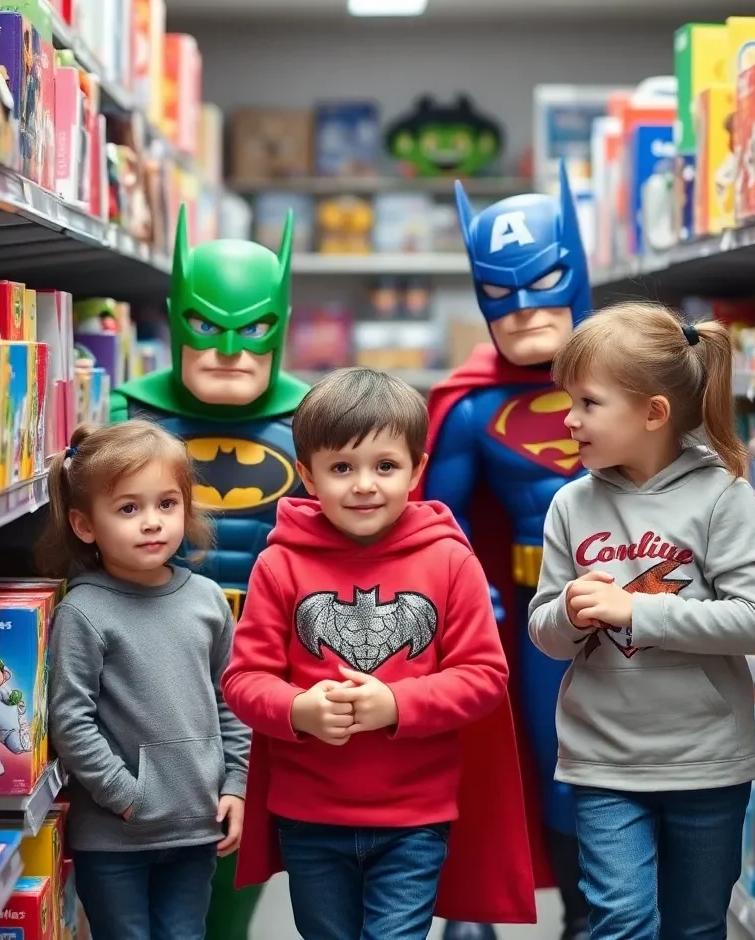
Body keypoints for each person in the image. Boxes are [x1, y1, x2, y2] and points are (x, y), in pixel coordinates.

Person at [222, 367, 537, 940]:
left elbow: (485, 675)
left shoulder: (449, 560)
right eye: (342, 467)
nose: (364, 484)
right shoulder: (280, 563)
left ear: (417, 470)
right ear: (307, 476)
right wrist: (298, 710)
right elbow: (244, 678)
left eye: (385, 466)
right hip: (311, 815)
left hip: (415, 817)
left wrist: (397, 702)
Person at [527, 302, 755, 940]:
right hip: (603, 762)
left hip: (706, 761)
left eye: (587, 402)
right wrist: (569, 614)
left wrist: (637, 610)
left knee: (695, 925)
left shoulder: (722, 494)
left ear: (653, 413)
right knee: (621, 921)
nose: (569, 418)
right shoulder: (571, 504)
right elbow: (546, 635)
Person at [111, 205, 309, 940]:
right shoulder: (126, 411)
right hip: (147, 654)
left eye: (254, 327)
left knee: (249, 823)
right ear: (174, 318)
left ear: (283, 323)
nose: (228, 349)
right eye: (207, 325)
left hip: (267, 659)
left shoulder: (314, 421)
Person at [415, 162, 592, 940]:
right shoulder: (472, 403)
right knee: (532, 757)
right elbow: (439, 522)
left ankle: (603, 912)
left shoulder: (643, 377)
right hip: (532, 609)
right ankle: (478, 897)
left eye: (543, 281)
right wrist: (465, 599)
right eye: (499, 293)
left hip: (649, 601)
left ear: (577, 269)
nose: (522, 310)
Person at [40, 420, 250, 940]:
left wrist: (237, 784)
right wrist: (127, 795)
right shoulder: (85, 611)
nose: (152, 522)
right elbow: (71, 721)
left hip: (196, 829)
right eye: (129, 508)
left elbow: (231, 700)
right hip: (115, 837)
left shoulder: (206, 599)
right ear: (86, 525)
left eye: (167, 504)